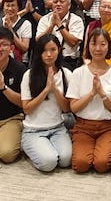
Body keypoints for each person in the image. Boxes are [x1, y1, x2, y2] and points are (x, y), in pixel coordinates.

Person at [66, 28, 111, 173]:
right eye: (93, 44)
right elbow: (74, 108)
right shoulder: (79, 73)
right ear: (88, 47)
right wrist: (92, 93)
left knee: (101, 164)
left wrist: (102, 94)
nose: (98, 48)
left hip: (108, 126)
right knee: (80, 165)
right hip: (83, 126)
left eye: (102, 44)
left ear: (108, 47)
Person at [21, 34, 72, 172]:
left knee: (66, 160)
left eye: (53, 50)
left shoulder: (66, 73)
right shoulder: (29, 75)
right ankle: (29, 146)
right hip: (33, 130)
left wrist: (54, 88)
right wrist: (46, 90)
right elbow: (27, 109)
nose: (48, 54)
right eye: (44, 51)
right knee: (48, 163)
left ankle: (44, 148)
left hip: (57, 127)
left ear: (59, 50)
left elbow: (67, 108)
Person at [36, 0, 84, 71]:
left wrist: (59, 24)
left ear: (69, 6)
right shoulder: (45, 19)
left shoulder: (76, 20)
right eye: (55, 2)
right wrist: (51, 26)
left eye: (61, 2)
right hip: (47, 60)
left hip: (69, 61)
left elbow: (73, 42)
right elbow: (39, 41)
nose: (58, 4)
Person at [0, 27, 27, 163]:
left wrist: (3, 87)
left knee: (7, 154)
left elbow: (24, 103)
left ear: (11, 48)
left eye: (4, 45)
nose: (0, 49)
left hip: (11, 118)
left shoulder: (20, 69)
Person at [1, 0, 32, 65]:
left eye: (13, 5)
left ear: (18, 8)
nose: (10, 9)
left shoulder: (26, 24)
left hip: (19, 62)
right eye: (8, 5)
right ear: (3, 7)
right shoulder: (0, 22)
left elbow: (24, 48)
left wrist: (10, 30)